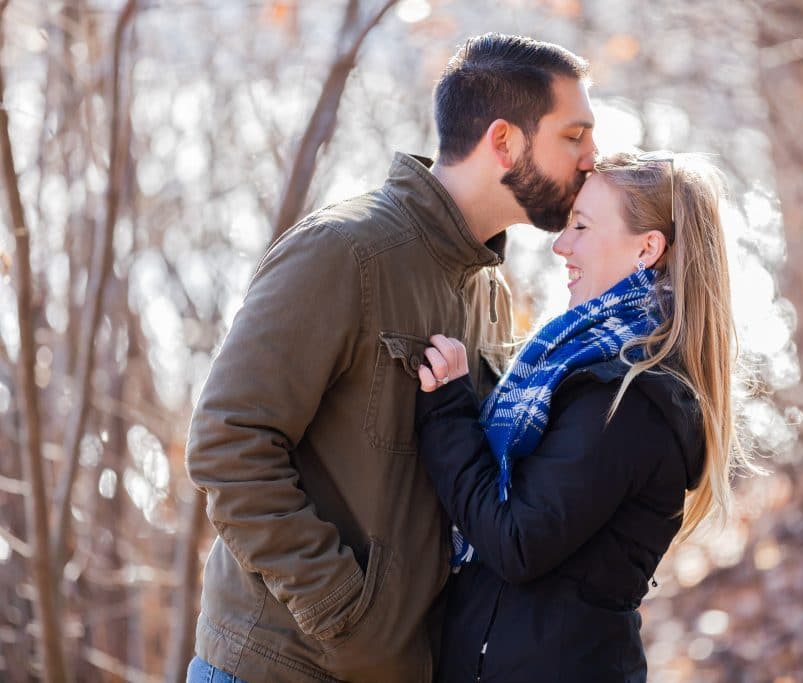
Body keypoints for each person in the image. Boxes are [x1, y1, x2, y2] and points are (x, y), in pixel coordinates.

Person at [185, 34, 596, 683]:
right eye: (574, 136)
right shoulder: (345, 251)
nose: (591, 159)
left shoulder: (484, 285)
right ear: (504, 141)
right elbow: (226, 441)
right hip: (281, 669)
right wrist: (343, 613)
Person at [414, 152, 751, 682]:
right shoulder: (580, 368)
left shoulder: (630, 400)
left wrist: (446, 412)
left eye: (581, 226)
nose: (560, 244)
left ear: (647, 248)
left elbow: (517, 542)